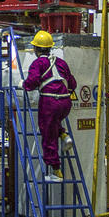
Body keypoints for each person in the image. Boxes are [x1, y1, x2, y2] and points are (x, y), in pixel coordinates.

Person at [21, 30, 77, 183]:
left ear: (36, 49)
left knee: (48, 135)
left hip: (49, 102)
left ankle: (56, 171)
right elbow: (72, 83)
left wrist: (23, 85)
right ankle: (64, 135)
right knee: (54, 123)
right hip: (66, 102)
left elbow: (32, 82)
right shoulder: (61, 62)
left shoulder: (38, 63)